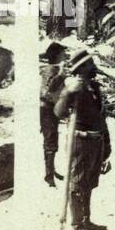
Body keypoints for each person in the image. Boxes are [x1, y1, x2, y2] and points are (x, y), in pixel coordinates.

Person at [54, 49, 111, 230]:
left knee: (89, 183)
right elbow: (59, 113)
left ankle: (86, 220)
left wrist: (107, 145)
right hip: (80, 141)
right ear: (82, 68)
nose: (94, 66)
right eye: (90, 64)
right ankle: (77, 226)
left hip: (96, 140)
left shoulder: (93, 87)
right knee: (78, 183)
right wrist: (67, 93)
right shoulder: (73, 87)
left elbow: (101, 117)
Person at [39, 42, 68, 187]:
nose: (64, 55)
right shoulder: (50, 69)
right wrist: (61, 76)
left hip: (52, 108)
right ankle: (49, 175)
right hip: (47, 109)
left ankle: (51, 170)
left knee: (53, 139)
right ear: (56, 55)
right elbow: (47, 90)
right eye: (62, 52)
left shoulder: (55, 68)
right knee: (50, 141)